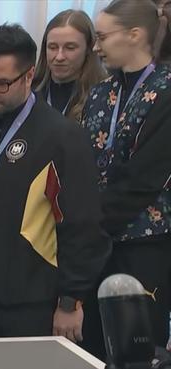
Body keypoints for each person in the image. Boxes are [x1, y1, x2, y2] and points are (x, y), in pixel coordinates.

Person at [0, 24, 110, 341]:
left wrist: (70, 300)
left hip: (32, 303)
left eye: (1, 84)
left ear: (28, 76)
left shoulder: (62, 137)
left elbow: (83, 227)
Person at [82, 0, 171, 349]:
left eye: (103, 37)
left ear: (134, 35)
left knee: (136, 348)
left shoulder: (166, 91)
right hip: (94, 243)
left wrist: (92, 220)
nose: (96, 47)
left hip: (143, 242)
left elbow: (146, 176)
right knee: (90, 344)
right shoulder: (101, 92)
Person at [32, 9, 106, 121]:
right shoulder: (29, 91)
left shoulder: (104, 95)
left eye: (70, 48)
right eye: (52, 47)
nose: (59, 57)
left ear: (89, 49)